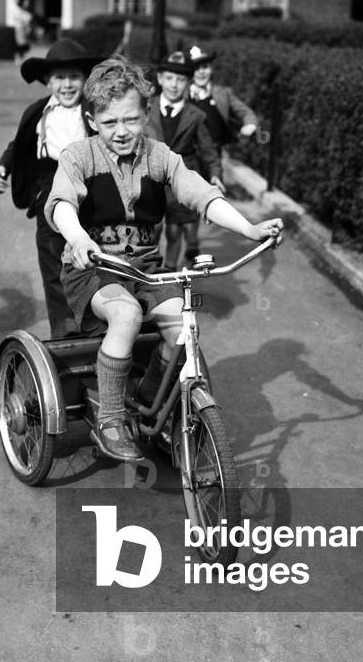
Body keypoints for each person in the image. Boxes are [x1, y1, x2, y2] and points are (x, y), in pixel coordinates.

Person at [45, 56, 284, 461]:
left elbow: (200, 193)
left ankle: (150, 403)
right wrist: (79, 236)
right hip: (93, 270)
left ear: (146, 114)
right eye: (109, 123)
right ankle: (112, 418)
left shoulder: (160, 157)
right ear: (91, 121)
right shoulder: (78, 156)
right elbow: (62, 203)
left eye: (132, 120)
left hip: (145, 270)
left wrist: (249, 229)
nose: (122, 132)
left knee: (182, 328)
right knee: (126, 316)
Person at [0, 37, 104, 338]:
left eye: (74, 77)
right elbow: (19, 144)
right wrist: (4, 165)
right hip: (48, 193)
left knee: (92, 259)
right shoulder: (39, 113)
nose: (66, 85)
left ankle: (97, 327)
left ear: (85, 80)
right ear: (47, 81)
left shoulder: (94, 111)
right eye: (59, 78)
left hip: (89, 193)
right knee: (54, 265)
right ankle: (65, 333)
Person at [145, 50, 225, 269]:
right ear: (160, 79)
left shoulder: (196, 115)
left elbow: (208, 148)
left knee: (175, 228)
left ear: (189, 83)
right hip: (150, 177)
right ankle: (150, 266)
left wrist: (216, 173)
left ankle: (170, 270)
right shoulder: (145, 108)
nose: (173, 85)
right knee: (154, 226)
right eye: (169, 78)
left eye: (180, 80)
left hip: (181, 177)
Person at [186, 44, 259, 160]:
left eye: (205, 67)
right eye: (196, 68)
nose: (201, 72)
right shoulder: (183, 94)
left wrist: (249, 125)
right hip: (190, 155)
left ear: (211, 70)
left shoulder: (223, 93)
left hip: (216, 153)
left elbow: (245, 112)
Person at [11, 0, 33, 64]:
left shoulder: (20, 9)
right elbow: (21, 17)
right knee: (20, 45)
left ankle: (20, 58)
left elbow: (27, 17)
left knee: (23, 45)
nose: (18, 0)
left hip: (23, 28)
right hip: (19, 28)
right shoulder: (15, 8)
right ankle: (18, 59)